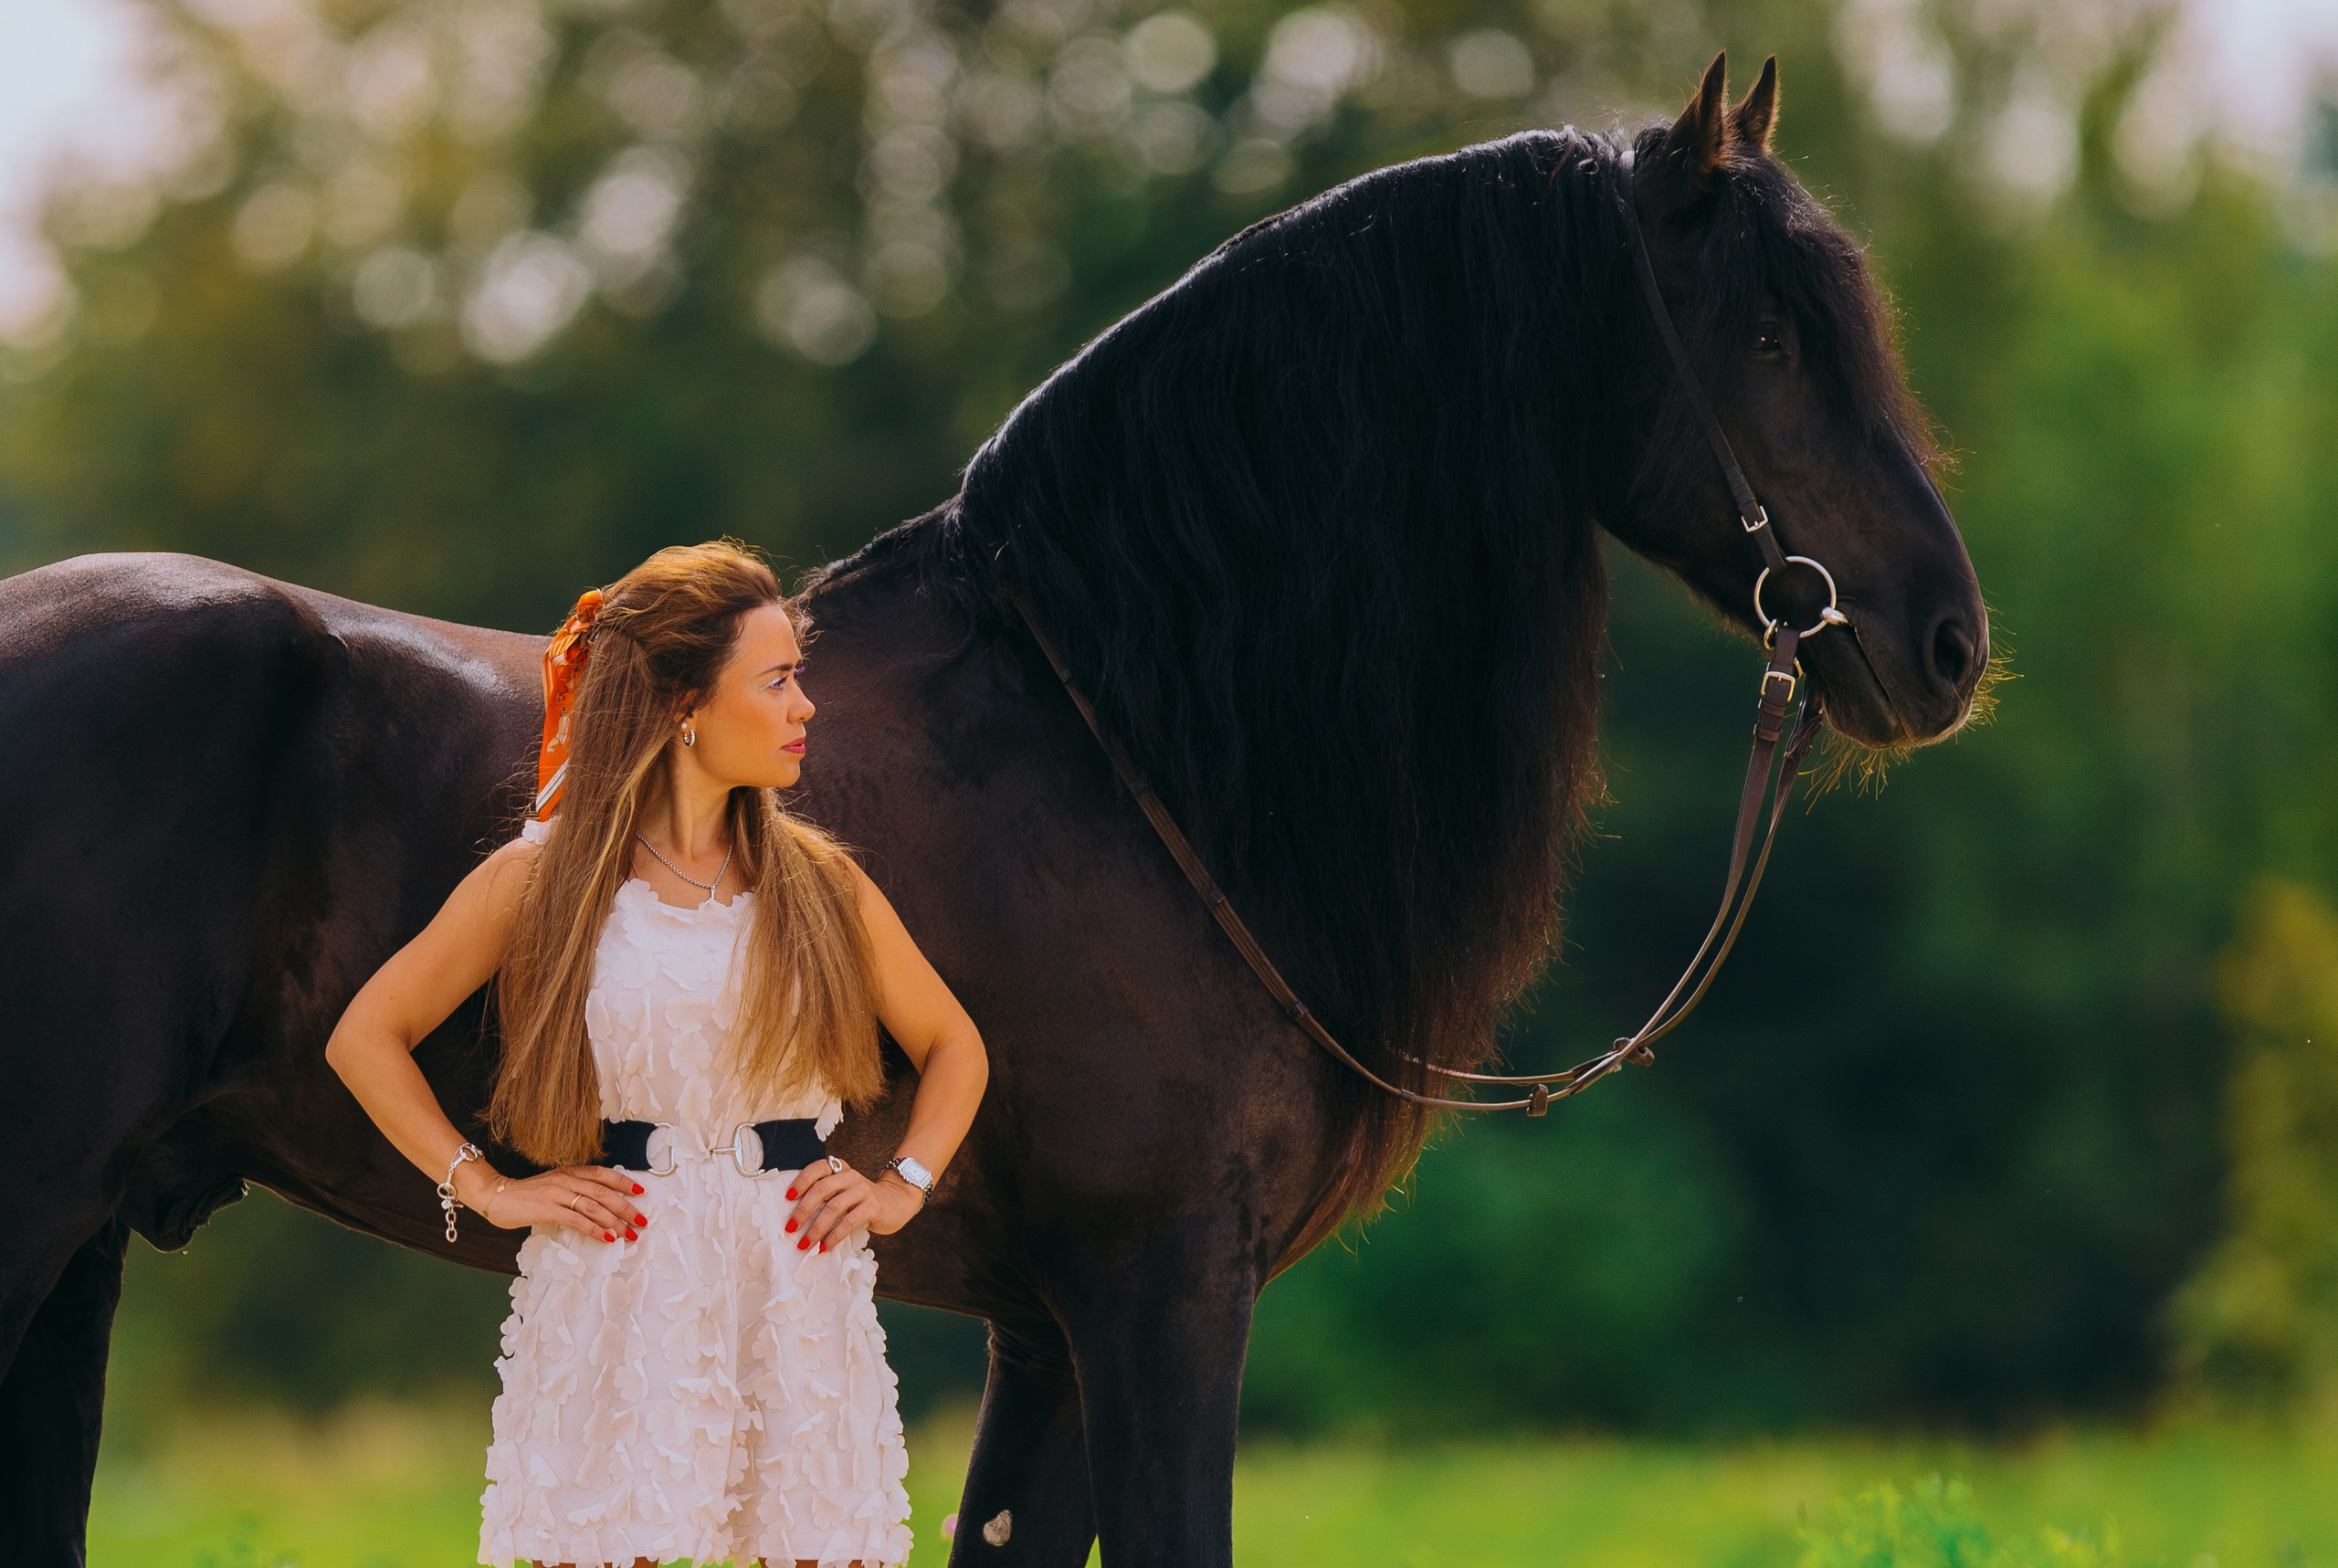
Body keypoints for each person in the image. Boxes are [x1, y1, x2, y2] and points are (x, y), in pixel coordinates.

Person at [325, 539, 987, 1568]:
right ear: (683, 702)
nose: (806, 706)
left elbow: (954, 1044)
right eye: (775, 681)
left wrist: (902, 1182)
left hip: (794, 1281)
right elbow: (365, 1036)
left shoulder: (822, 885)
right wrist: (487, 1188)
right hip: (620, 1281)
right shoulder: (542, 879)